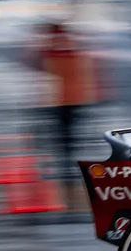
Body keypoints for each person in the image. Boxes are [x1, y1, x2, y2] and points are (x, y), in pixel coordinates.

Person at [37, 20, 100, 208]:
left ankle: (67, 170)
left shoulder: (51, 50)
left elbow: (42, 67)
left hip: (59, 100)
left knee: (64, 139)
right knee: (70, 138)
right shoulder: (73, 49)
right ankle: (70, 166)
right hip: (75, 99)